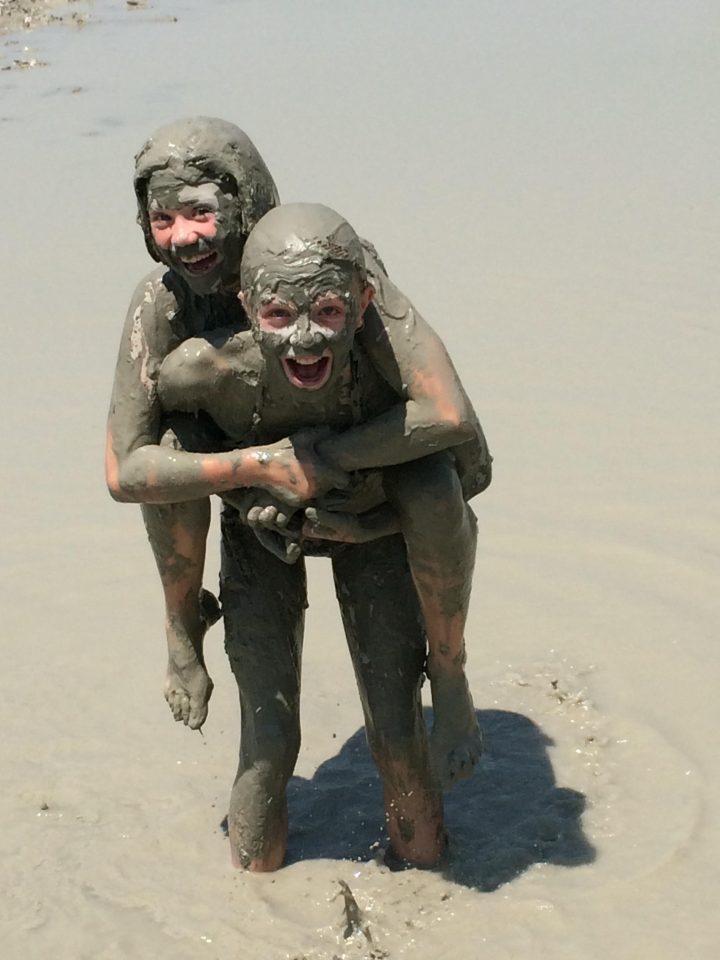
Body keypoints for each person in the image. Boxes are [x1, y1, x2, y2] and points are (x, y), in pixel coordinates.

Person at [106, 118, 492, 870]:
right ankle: (184, 629)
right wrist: (261, 466)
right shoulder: (165, 311)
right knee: (267, 742)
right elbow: (127, 469)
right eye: (163, 220)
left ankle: (447, 688)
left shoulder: (322, 270)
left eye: (202, 213)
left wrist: (341, 476)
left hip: (367, 510)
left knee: (395, 736)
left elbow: (459, 439)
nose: (185, 237)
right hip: (259, 520)